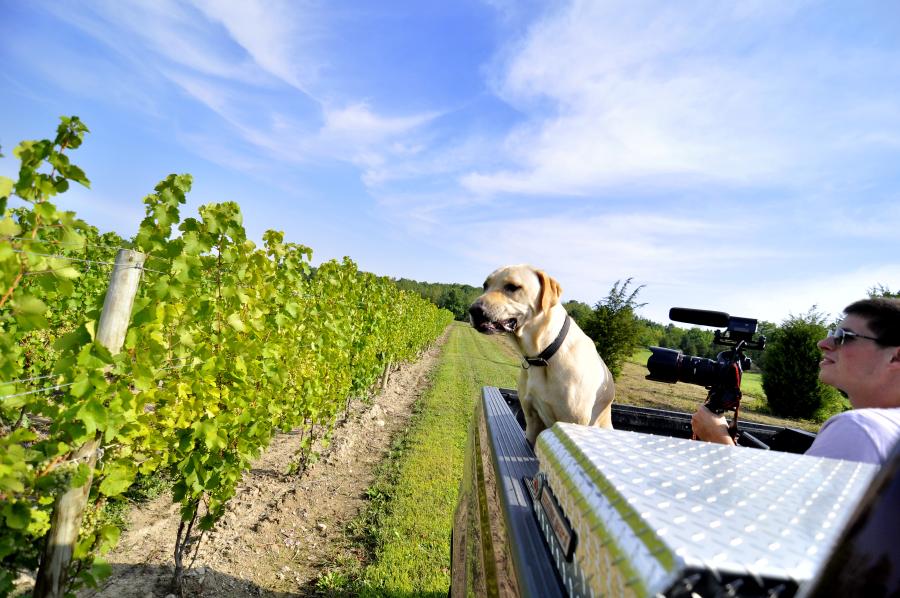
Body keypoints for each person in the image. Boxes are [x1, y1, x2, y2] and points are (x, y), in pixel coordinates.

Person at [691, 297, 900, 465]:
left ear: (896, 357)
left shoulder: (860, 430)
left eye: (843, 336)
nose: (823, 343)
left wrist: (718, 441)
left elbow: (786, 514)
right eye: (830, 334)